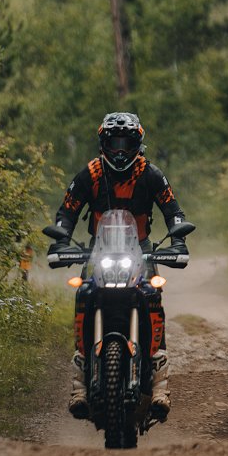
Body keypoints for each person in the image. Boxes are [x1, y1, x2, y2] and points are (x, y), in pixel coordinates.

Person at [50, 111, 189, 420]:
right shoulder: (91, 173)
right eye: (115, 143)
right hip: (98, 253)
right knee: (84, 295)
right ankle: (79, 386)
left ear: (137, 144)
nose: (121, 150)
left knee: (153, 298)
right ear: (104, 144)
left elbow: (173, 210)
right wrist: (60, 240)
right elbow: (67, 210)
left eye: (127, 143)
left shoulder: (150, 174)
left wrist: (178, 240)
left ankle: (160, 387)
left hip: (140, 253)